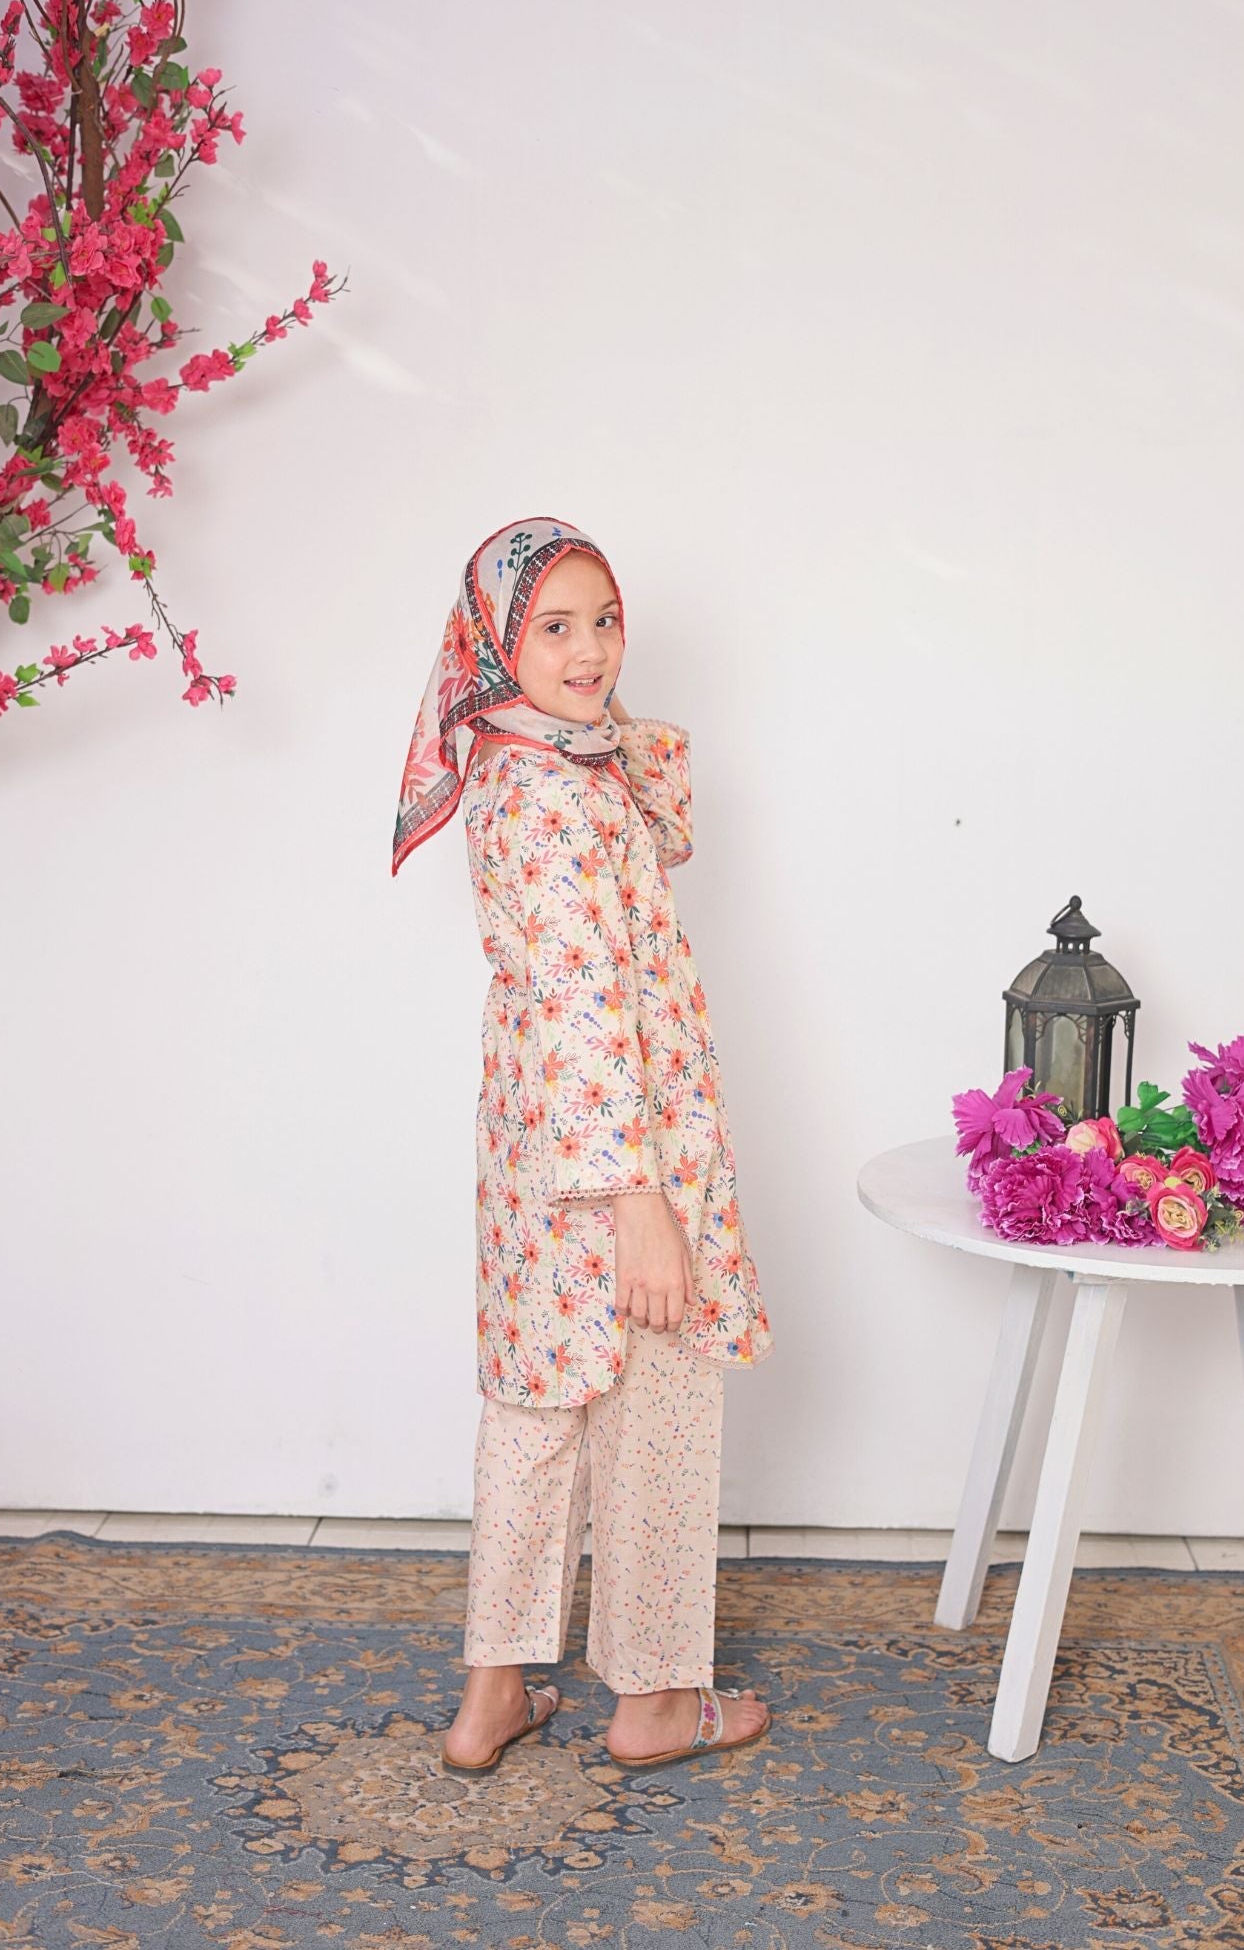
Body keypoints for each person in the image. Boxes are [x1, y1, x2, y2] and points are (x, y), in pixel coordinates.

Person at [392, 516, 774, 1774]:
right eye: (553, 627)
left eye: (604, 620)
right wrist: (638, 1199)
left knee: (537, 1410)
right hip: (618, 1150)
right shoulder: (556, 795)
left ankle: (491, 1694)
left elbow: (652, 836)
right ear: (494, 641)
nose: (592, 650)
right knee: (656, 1407)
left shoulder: (524, 766)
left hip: (535, 1157)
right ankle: (656, 1701)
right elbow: (583, 1002)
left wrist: (602, 730)